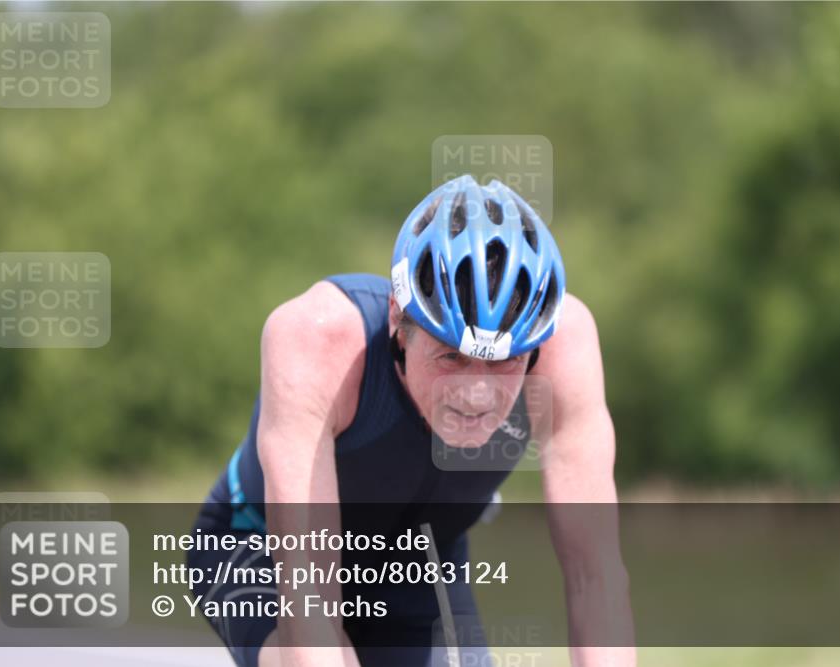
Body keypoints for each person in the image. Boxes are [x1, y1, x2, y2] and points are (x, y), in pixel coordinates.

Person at [188, 174, 635, 667]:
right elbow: (307, 598)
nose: (476, 394)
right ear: (400, 322)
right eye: (451, 357)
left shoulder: (563, 346)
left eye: (504, 362)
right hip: (259, 549)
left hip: (419, 560)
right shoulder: (319, 342)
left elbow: (594, 575)